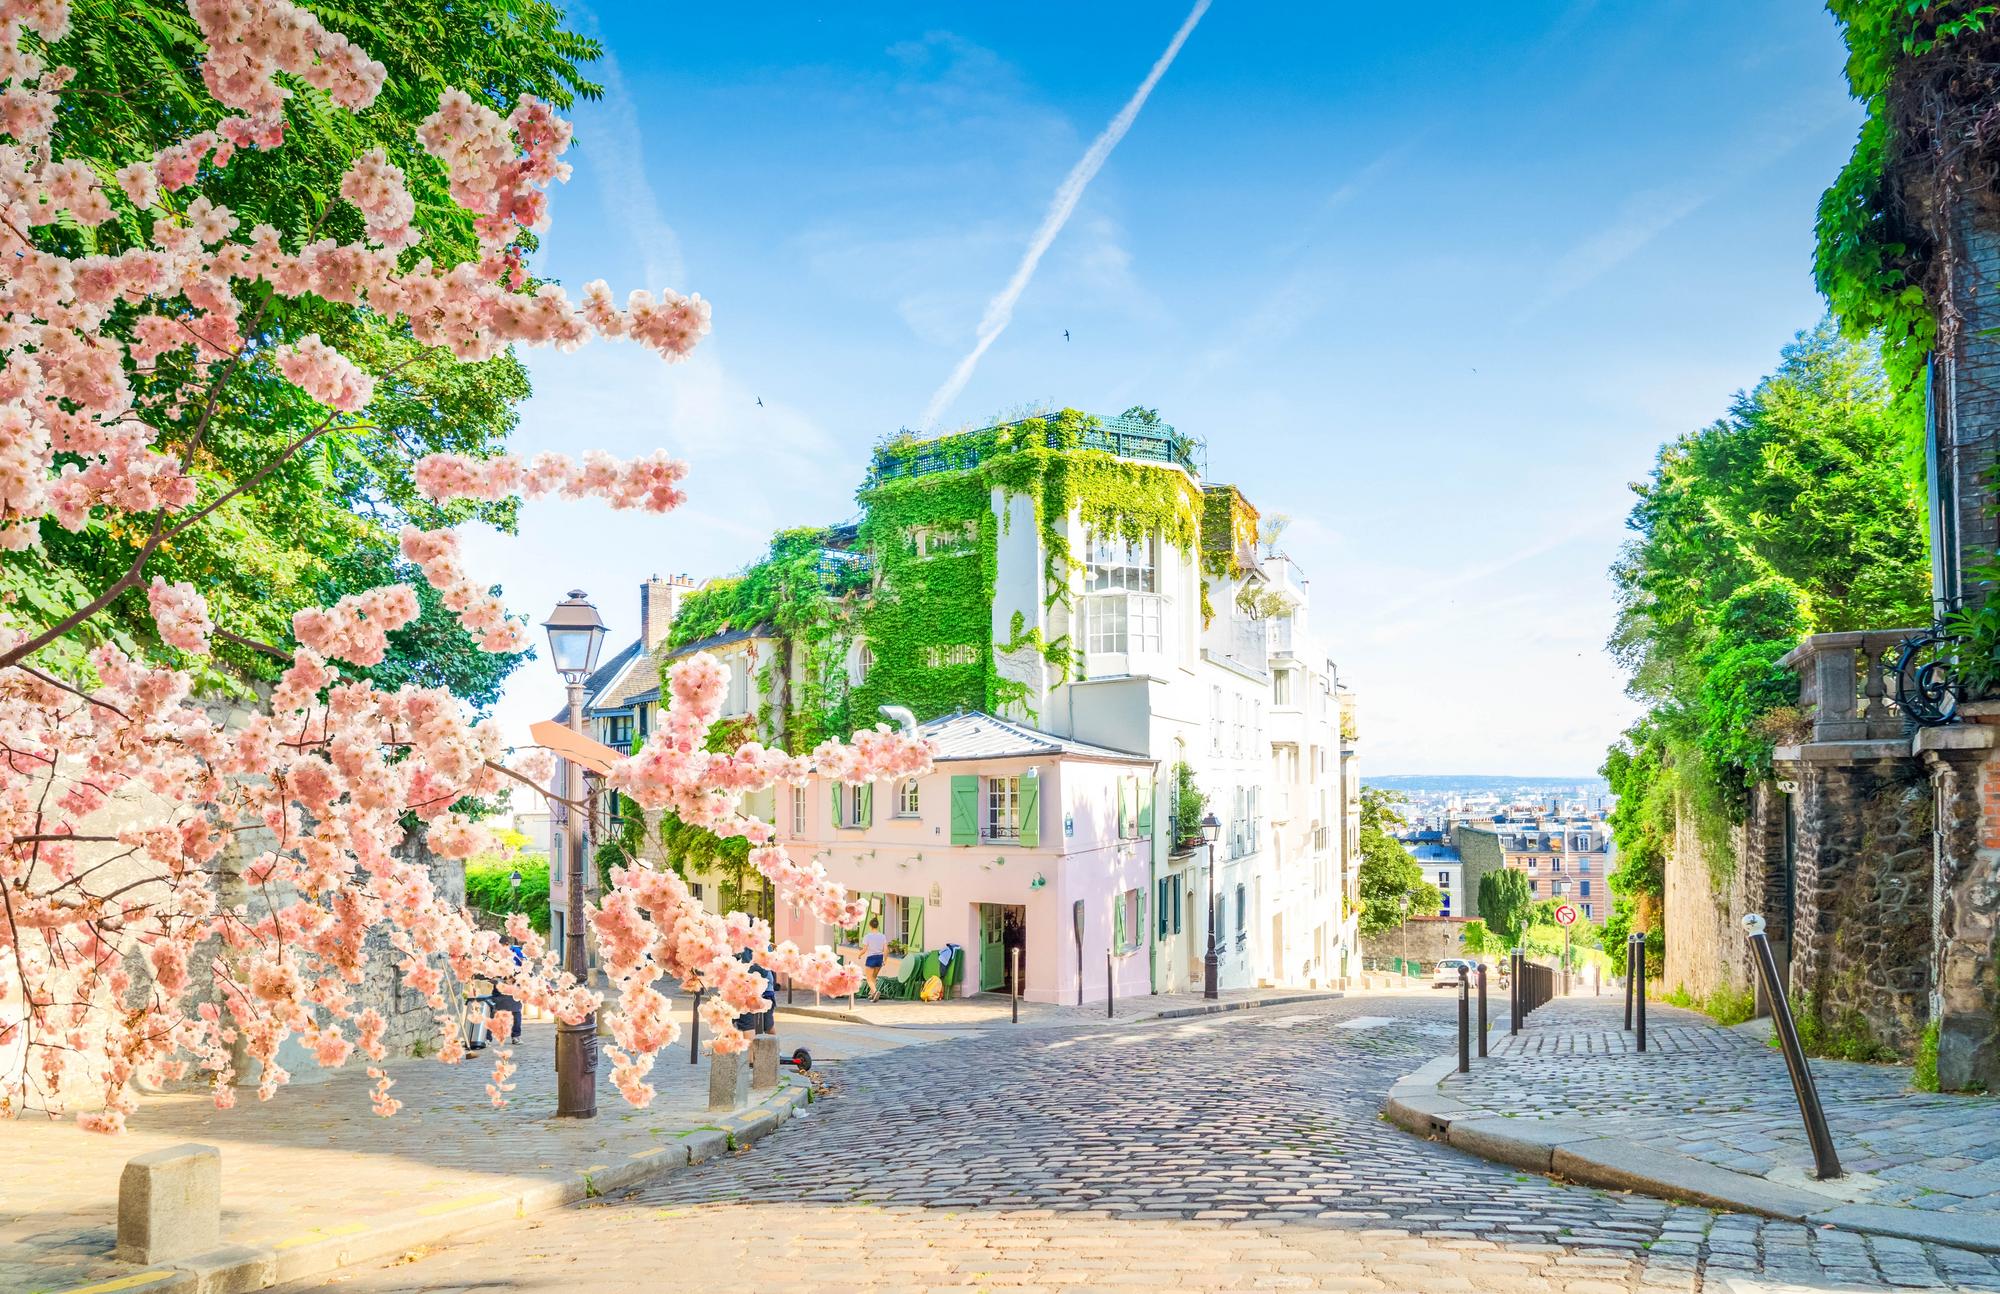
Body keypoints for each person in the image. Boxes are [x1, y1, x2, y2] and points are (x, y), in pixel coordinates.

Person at [861, 917, 889, 1000]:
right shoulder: (882, 936)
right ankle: (872, 994)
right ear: (877, 926)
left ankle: (875, 992)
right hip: (879, 958)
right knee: (874, 977)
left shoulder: (867, 936)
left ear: (870, 926)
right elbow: (886, 949)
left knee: (868, 978)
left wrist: (859, 954)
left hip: (871, 958)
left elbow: (864, 949)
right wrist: (885, 960)